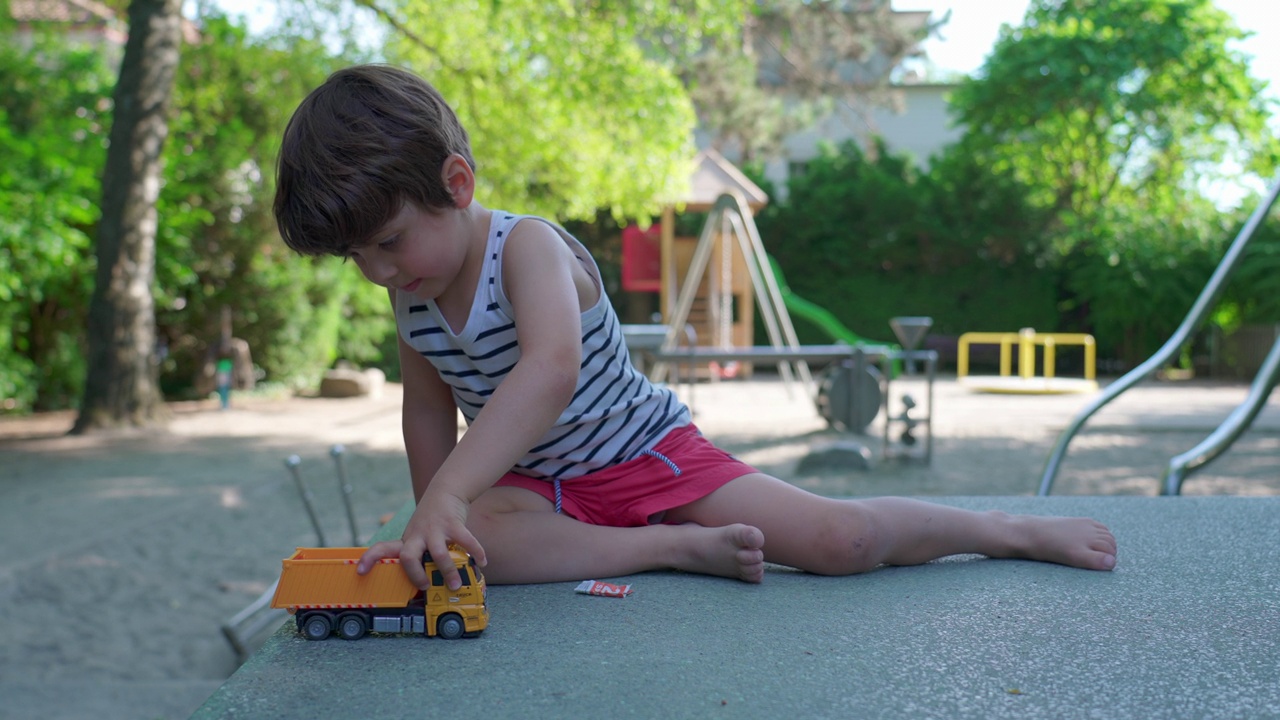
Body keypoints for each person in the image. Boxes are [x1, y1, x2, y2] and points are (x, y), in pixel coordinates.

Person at [274, 64, 1118, 591]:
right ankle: (672, 553)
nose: (380, 270)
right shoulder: (410, 291)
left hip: (647, 458)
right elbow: (427, 409)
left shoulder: (523, 248)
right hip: (543, 493)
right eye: (357, 256)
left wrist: (453, 493)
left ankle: (1004, 530)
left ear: (456, 183)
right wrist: (437, 516)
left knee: (839, 539)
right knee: (483, 544)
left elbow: (551, 370)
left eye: (387, 242)